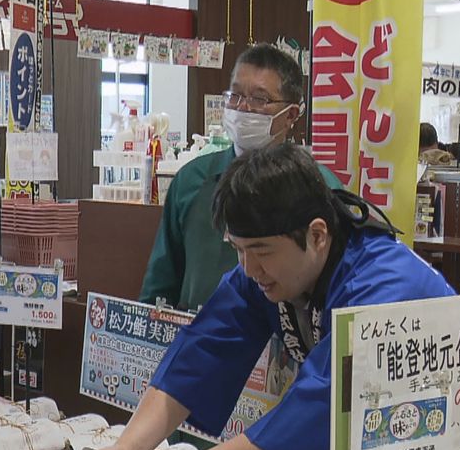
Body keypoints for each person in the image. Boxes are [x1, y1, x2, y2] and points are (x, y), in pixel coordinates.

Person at [89, 144, 460, 450]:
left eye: (260, 251)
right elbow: (201, 352)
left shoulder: (387, 289)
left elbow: (309, 417)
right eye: (238, 249)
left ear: (317, 235)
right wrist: (127, 448)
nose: (248, 267)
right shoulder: (270, 263)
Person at [140, 44, 341, 312]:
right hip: (200, 337)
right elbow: (159, 287)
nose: (243, 108)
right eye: (235, 96)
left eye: (259, 99)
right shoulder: (191, 181)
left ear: (291, 115)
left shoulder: (320, 187)